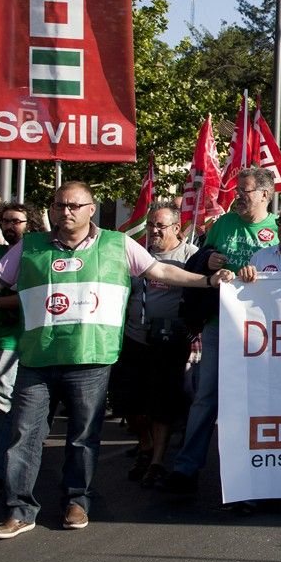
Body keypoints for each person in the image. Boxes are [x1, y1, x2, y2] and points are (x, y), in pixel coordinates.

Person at [0, 182, 234, 538]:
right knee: (24, 435)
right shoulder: (30, 246)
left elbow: (162, 271)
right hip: (37, 358)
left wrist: (209, 280)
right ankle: (19, 510)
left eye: (75, 205)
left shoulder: (117, 244)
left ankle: (77, 501)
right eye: (60, 205)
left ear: (91, 208)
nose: (66, 212)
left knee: (82, 436)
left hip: (91, 357)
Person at [163, 167, 279, 495]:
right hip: (219, 324)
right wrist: (208, 258)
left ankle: (258, 471)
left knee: (257, 401)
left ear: (265, 195)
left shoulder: (278, 229)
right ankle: (186, 469)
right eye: (237, 191)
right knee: (206, 397)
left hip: (261, 333)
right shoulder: (224, 223)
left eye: (245, 191)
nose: (238, 196)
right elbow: (199, 258)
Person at [109, 202, 198, 488]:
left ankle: (157, 461)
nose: (154, 231)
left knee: (162, 403)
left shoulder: (190, 256)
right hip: (134, 338)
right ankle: (145, 447)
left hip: (169, 342)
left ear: (176, 228)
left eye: (161, 226)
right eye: (151, 225)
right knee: (128, 402)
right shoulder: (136, 253)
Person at [0, 202, 41, 488]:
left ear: (30, 223)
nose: (9, 226)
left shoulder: (34, 254)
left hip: (14, 339)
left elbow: (29, 296)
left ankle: (2, 470)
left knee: (2, 402)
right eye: (4, 221)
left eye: (16, 221)